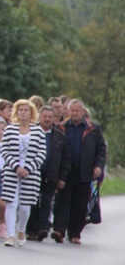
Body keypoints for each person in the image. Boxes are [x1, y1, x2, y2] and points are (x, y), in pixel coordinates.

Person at [53, 99, 106, 244]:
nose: (74, 113)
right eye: (72, 110)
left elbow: (101, 150)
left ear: (83, 111)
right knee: (62, 201)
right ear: (68, 112)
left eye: (77, 110)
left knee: (80, 203)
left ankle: (75, 233)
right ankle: (59, 230)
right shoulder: (61, 127)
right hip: (65, 171)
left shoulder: (93, 129)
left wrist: (98, 166)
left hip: (84, 170)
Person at [0, 100, 46, 248]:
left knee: (25, 206)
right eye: (20, 110)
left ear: (31, 113)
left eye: (26, 110)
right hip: (11, 172)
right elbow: (4, 150)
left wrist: (28, 168)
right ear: (16, 112)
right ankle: (10, 235)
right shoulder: (10, 129)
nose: (23, 112)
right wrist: (16, 167)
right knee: (11, 203)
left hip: (30, 173)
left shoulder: (38, 131)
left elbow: (42, 153)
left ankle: (21, 230)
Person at [26, 106, 70, 241]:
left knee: (46, 202)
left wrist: (62, 177)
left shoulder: (59, 135)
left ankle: (43, 228)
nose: (47, 119)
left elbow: (65, 158)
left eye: (50, 117)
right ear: (40, 117)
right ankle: (31, 230)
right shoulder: (31, 132)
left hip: (50, 174)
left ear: (53, 118)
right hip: (32, 173)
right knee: (32, 202)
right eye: (44, 116)